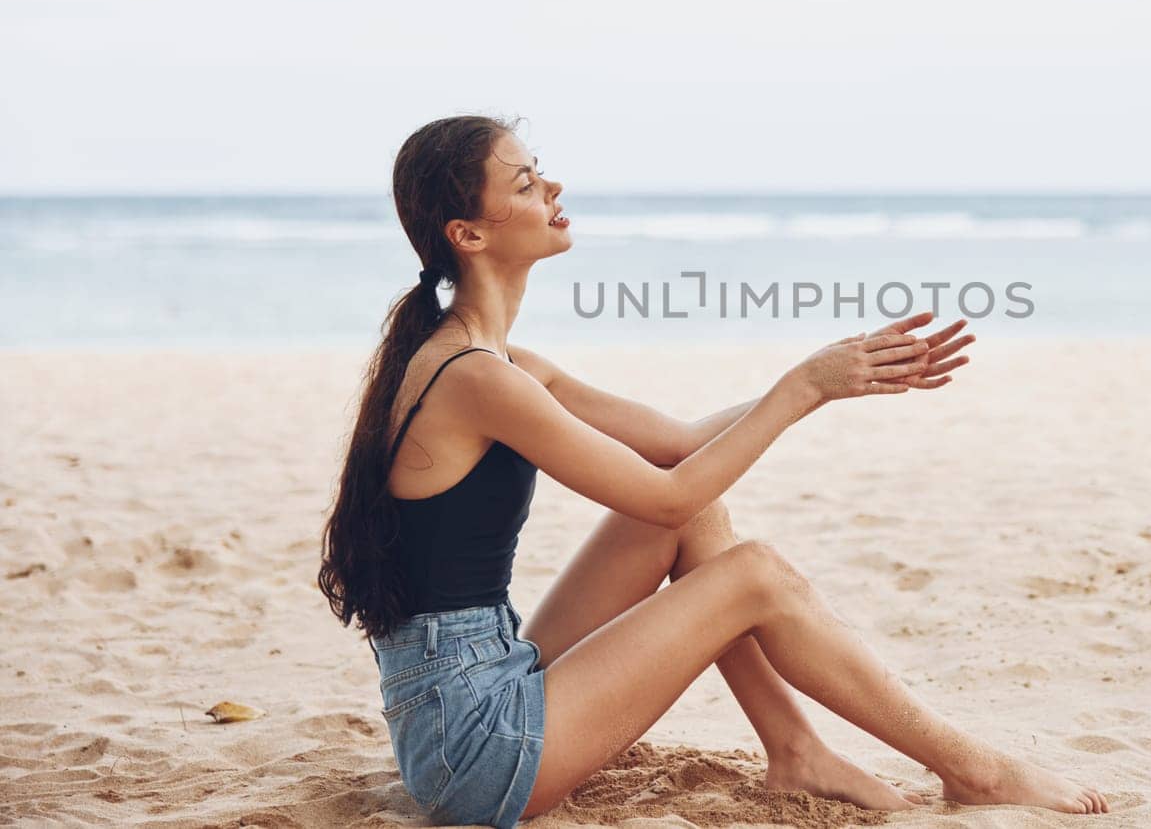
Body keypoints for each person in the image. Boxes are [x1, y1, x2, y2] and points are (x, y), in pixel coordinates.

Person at [317, 114, 1109, 826]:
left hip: (482, 680)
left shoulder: (499, 361)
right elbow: (666, 493)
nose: (552, 186)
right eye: (525, 181)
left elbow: (680, 444)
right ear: (470, 234)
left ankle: (797, 749)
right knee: (754, 573)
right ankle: (974, 768)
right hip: (474, 749)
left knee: (702, 519)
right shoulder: (476, 379)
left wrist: (841, 374)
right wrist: (804, 388)